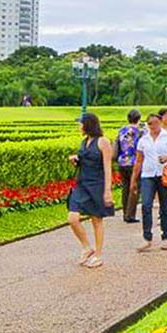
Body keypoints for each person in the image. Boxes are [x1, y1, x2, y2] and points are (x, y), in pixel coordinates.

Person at [68, 113, 114, 268]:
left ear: (88, 124)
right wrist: (76, 160)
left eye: (80, 124)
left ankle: (99, 255)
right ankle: (87, 247)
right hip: (82, 184)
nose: (79, 127)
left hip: (97, 184)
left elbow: (108, 168)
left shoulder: (103, 142)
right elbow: (85, 159)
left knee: (96, 220)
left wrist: (107, 191)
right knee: (72, 218)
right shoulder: (84, 141)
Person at [131, 112, 167, 252]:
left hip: (164, 174)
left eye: (155, 123)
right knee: (146, 205)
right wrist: (133, 180)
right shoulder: (143, 140)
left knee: (165, 205)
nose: (153, 126)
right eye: (150, 123)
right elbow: (139, 160)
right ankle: (147, 237)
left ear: (160, 122)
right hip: (147, 174)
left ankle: (166, 236)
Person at [113, 109, 143, 223]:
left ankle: (125, 212)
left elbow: (116, 145)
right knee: (134, 187)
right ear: (138, 118)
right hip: (134, 162)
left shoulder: (121, 130)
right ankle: (130, 215)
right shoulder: (140, 131)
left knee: (125, 188)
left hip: (122, 162)